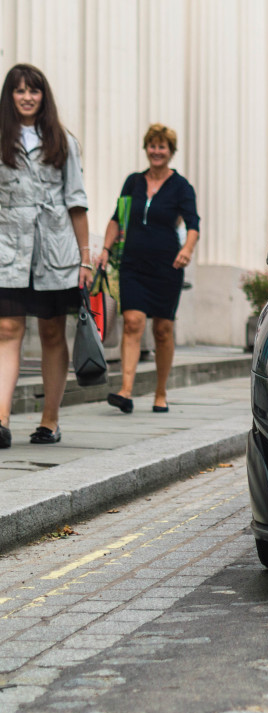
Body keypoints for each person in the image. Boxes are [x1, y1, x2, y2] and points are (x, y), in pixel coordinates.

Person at [0, 64, 93, 448]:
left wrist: (85, 258)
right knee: (7, 328)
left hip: (55, 250)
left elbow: (76, 201)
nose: (26, 97)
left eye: (33, 91)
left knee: (52, 331)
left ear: (43, 96)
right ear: (10, 96)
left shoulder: (62, 141)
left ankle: (50, 420)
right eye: (19, 90)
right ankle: (1, 418)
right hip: (8, 249)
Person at [98, 124, 199, 414]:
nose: (157, 151)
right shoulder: (133, 182)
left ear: (171, 151)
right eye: (152, 146)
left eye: (162, 146)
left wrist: (186, 250)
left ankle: (160, 392)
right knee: (132, 322)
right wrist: (105, 250)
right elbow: (117, 218)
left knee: (163, 330)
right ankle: (126, 391)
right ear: (146, 149)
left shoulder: (181, 187)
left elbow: (193, 224)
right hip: (132, 263)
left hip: (166, 266)